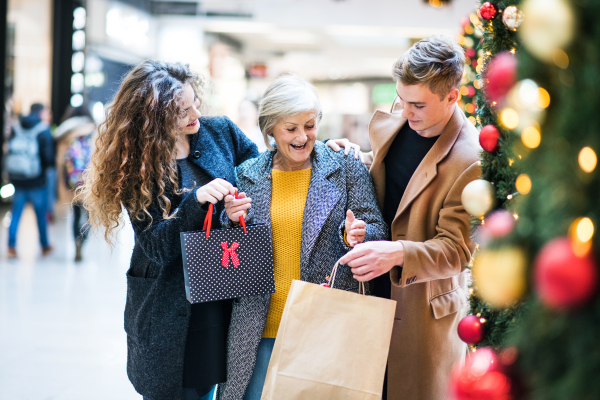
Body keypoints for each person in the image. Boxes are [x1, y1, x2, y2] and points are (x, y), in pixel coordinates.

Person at [78, 61, 361, 400]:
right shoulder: (137, 166)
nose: (196, 112)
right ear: (156, 117)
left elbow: (267, 170)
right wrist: (195, 203)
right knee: (176, 391)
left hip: (223, 297)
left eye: (195, 101)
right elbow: (155, 247)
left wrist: (320, 150)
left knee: (220, 386)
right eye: (182, 110)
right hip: (168, 308)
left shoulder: (219, 132)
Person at [217, 74, 388, 400]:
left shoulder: (345, 168)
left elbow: (376, 228)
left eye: (309, 125)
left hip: (324, 327)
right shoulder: (247, 175)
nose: (302, 136)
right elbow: (230, 256)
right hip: (258, 330)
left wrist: (359, 234)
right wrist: (231, 219)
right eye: (290, 128)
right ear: (270, 129)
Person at [339, 35, 481, 400]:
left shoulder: (471, 160)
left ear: (452, 95)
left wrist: (398, 252)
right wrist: (356, 159)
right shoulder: (399, 120)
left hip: (422, 315)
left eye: (417, 104)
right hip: (369, 292)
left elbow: (457, 251)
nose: (405, 112)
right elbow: (385, 181)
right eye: (400, 100)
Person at [6, 103, 55, 258]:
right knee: (40, 215)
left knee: (15, 214)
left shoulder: (17, 126)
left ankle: (11, 246)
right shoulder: (43, 129)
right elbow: (48, 157)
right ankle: (45, 245)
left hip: (17, 179)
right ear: (40, 112)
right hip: (36, 180)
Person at [55, 104, 96, 261]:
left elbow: (60, 160)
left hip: (72, 182)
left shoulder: (66, 133)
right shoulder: (93, 131)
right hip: (90, 182)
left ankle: (76, 243)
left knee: (76, 213)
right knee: (90, 215)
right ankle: (83, 240)